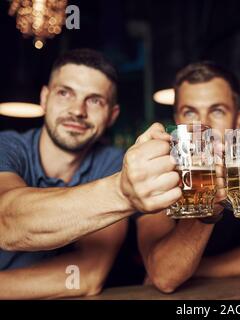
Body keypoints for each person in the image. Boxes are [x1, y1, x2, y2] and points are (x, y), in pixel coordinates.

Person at [0, 48, 181, 298]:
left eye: (95, 100)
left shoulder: (116, 163)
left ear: (112, 116)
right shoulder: (6, 147)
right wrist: (122, 191)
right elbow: (7, 222)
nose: (77, 111)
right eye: (65, 93)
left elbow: (86, 275)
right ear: (44, 98)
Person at [136, 61, 240, 293]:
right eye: (190, 112)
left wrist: (193, 270)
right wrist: (208, 200)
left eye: (217, 111)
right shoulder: (158, 173)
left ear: (237, 120)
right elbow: (165, 275)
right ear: (177, 120)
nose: (203, 125)